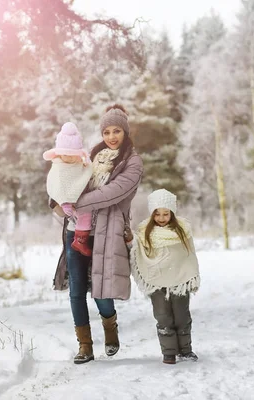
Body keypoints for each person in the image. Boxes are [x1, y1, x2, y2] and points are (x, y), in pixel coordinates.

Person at [51, 104, 144, 364]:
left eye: (116, 131)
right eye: (106, 131)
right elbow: (65, 176)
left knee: (102, 292)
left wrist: (73, 203)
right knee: (77, 290)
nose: (111, 136)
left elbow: (112, 193)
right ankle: (85, 346)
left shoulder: (132, 162)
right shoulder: (91, 155)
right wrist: (56, 199)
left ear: (125, 132)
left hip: (105, 231)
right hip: (74, 230)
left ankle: (110, 328)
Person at [130, 189, 201, 365]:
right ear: (152, 213)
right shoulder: (144, 233)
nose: (162, 218)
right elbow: (140, 254)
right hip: (155, 281)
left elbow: (189, 255)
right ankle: (169, 352)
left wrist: (190, 274)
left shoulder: (183, 231)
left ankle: (186, 350)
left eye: (166, 214)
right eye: (157, 214)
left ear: (172, 213)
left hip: (179, 279)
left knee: (181, 315)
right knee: (163, 316)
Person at [43, 122, 94, 257]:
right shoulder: (58, 167)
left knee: (85, 216)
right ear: (59, 154)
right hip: (66, 207)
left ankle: (80, 240)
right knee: (81, 217)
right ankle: (80, 240)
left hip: (82, 202)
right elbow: (57, 186)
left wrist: (86, 165)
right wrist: (64, 202)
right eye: (66, 154)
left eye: (73, 154)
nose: (70, 158)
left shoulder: (78, 164)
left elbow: (84, 175)